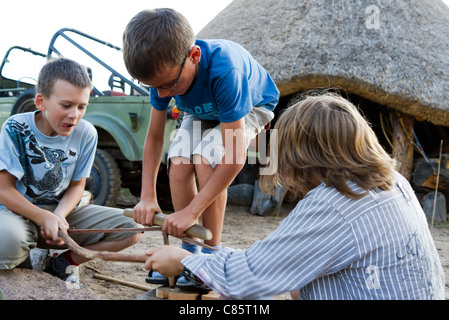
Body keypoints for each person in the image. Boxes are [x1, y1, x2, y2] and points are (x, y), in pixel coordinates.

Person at [144, 92, 445, 300]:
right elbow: (272, 263)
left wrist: (185, 260)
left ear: (303, 157)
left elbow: (249, 276)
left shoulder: (335, 205)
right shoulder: (394, 184)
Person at [122, 8, 279, 286]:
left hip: (251, 106)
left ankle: (209, 258)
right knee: (180, 160)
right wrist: (147, 196)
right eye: (151, 87)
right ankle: (189, 253)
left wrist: (191, 212)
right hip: (202, 109)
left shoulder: (225, 71)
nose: (161, 94)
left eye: (169, 84)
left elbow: (233, 157)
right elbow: (155, 137)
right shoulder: (162, 78)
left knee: (207, 156)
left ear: (194, 56)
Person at [0, 57, 141, 282]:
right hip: (15, 212)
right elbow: (4, 190)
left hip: (61, 213)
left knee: (132, 228)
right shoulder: (15, 128)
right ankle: (23, 268)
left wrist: (58, 216)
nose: (74, 114)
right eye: (66, 105)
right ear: (40, 101)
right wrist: (43, 217)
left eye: (81, 106)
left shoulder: (86, 133)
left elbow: (77, 185)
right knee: (7, 241)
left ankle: (62, 263)